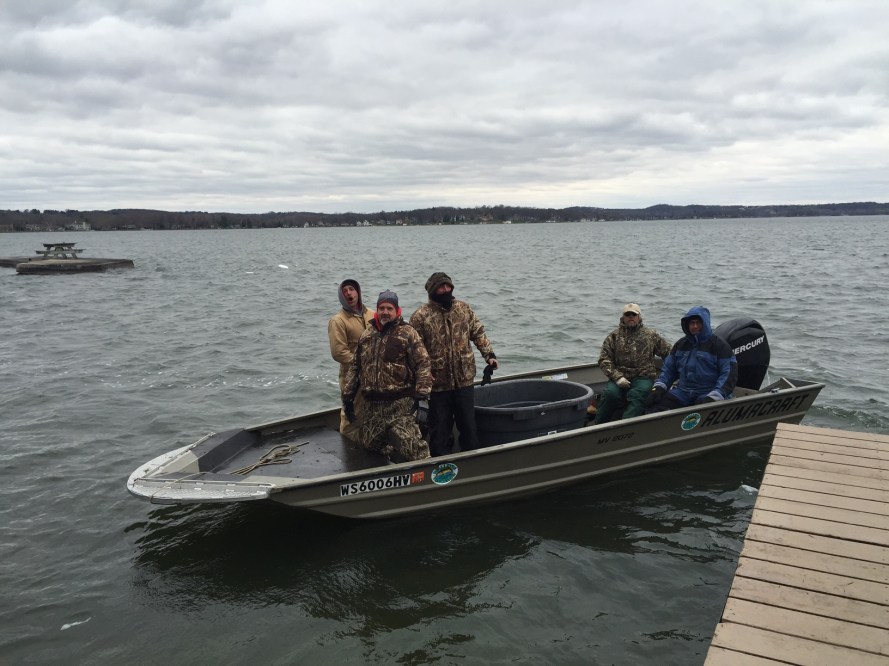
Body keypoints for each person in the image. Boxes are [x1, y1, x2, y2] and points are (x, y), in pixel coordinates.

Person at [409, 272, 498, 456]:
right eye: (441, 287)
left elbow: (478, 332)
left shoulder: (463, 309)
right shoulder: (420, 316)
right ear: (432, 290)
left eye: (448, 286)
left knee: (469, 428)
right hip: (437, 386)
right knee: (440, 432)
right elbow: (413, 350)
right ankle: (442, 466)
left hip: (464, 381)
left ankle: (472, 463)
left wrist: (489, 355)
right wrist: (421, 373)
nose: (446, 289)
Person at [342, 290, 432, 461]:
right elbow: (355, 367)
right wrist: (347, 398)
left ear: (397, 311)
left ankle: (429, 473)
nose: (385, 312)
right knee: (369, 446)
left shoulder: (407, 333)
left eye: (389, 308)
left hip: (400, 404)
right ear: (377, 310)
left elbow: (423, 364)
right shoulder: (367, 335)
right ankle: (391, 467)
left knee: (413, 448)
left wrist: (423, 398)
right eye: (381, 308)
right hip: (373, 405)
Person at [645, 306, 738, 413]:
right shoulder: (681, 344)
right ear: (687, 325)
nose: (695, 326)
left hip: (707, 392)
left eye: (698, 323)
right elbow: (668, 370)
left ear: (705, 323)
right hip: (683, 392)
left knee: (700, 412)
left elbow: (728, 374)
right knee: (653, 405)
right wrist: (659, 387)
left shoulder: (720, 346)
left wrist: (715, 396)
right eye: (692, 323)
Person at [594, 303, 671, 424]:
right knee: (610, 394)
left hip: (643, 376)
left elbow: (668, 353)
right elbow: (604, 359)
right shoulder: (613, 336)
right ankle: (597, 426)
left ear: (639, 317)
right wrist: (617, 377)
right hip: (620, 376)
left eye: (634, 315)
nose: (631, 317)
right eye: (628, 314)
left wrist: (669, 375)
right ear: (623, 317)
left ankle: (625, 427)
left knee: (638, 395)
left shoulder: (651, 335)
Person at [328, 278, 375, 441]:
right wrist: (360, 364)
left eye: (351, 289)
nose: (349, 293)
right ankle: (348, 449)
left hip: (373, 374)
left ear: (358, 292)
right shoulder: (338, 321)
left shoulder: (372, 314)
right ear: (341, 296)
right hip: (351, 376)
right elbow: (339, 352)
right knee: (352, 415)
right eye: (345, 291)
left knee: (372, 411)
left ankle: (369, 444)